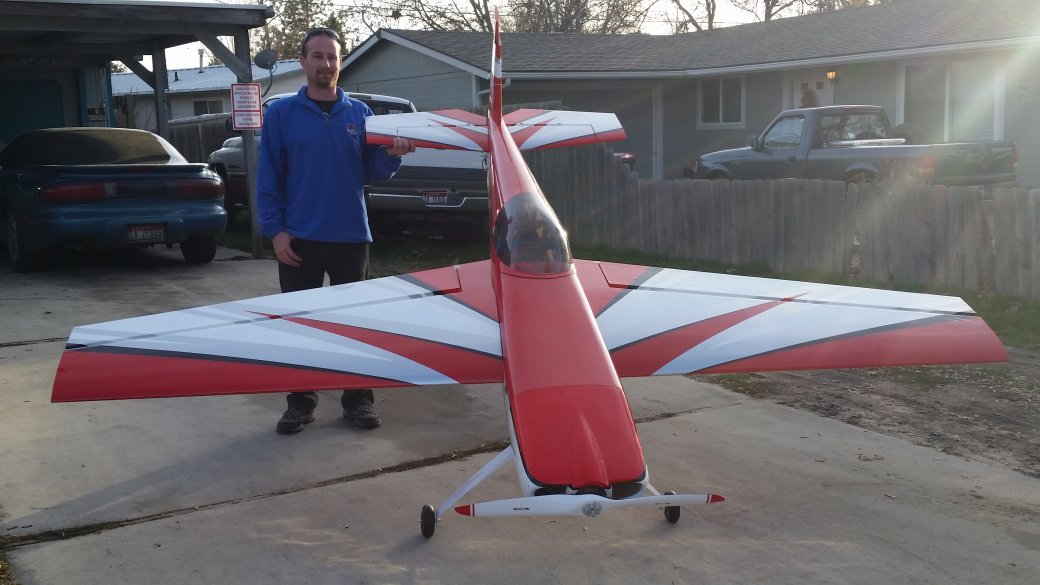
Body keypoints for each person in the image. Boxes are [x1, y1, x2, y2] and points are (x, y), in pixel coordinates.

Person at [256, 27, 415, 434]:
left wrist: (393, 156)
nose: (325, 63)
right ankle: (300, 402)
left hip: (350, 237)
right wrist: (276, 231)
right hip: (299, 239)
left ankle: (358, 400)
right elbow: (269, 178)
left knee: (356, 326)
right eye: (317, 56)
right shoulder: (281, 115)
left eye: (332, 56)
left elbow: (373, 171)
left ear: (339, 62)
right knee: (300, 325)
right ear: (303, 61)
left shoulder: (360, 115)